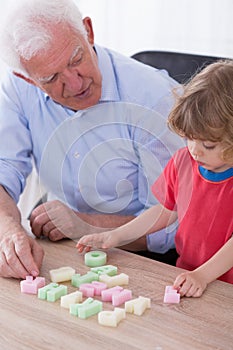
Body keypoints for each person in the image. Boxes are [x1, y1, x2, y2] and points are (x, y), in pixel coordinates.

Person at [0, 0, 183, 279]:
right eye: (51, 78)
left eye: (76, 60)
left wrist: (84, 225)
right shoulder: (17, 89)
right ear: (27, 79)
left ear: (88, 31)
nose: (75, 85)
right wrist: (8, 232)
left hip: (148, 260)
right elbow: (4, 171)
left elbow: (177, 223)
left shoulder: (155, 99)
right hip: (63, 247)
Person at [77, 60, 233, 298]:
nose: (195, 150)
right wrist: (116, 235)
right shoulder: (184, 162)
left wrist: (202, 275)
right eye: (189, 138)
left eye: (208, 145)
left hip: (222, 287)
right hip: (188, 276)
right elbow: (165, 211)